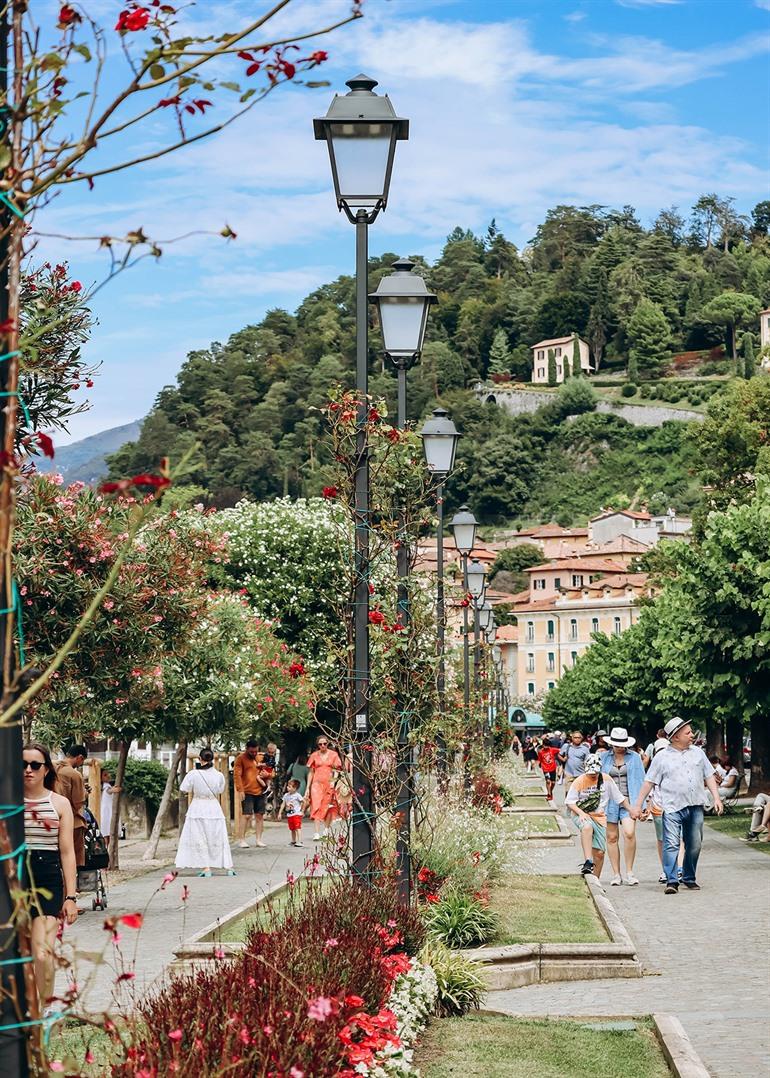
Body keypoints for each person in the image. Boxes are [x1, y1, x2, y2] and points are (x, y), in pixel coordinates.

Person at [631, 716, 724, 894]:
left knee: (695, 844)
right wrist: (638, 805)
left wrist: (716, 798)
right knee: (671, 844)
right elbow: (648, 782)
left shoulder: (698, 753)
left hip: (695, 805)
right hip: (673, 807)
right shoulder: (662, 757)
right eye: (688, 733)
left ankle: (689, 877)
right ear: (675, 737)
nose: (692, 735)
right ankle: (672, 880)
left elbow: (708, 775)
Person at [23, 743, 78, 1015]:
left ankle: (44, 1010)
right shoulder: (7, 802)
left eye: (35, 765)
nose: (28, 770)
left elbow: (67, 852)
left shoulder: (59, 803)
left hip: (47, 877)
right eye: (23, 764)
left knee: (43, 952)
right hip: (13, 879)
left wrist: (71, 897)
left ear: (46, 770)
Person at [565, 752, 634, 878]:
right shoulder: (579, 781)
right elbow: (570, 802)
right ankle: (588, 861)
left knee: (600, 853)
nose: (593, 776)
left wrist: (631, 810)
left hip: (599, 817)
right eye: (590, 773)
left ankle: (595, 879)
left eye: (595, 773)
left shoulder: (607, 780)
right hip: (581, 813)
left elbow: (620, 798)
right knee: (587, 827)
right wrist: (581, 813)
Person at [176, 748, 235, 877]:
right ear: (212, 759)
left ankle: (206, 867)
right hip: (214, 808)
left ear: (200, 759)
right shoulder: (219, 775)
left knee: (199, 837)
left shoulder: (193, 774)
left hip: (197, 807)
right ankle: (228, 866)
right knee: (217, 836)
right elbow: (220, 790)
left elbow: (184, 788)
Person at [601, 727, 645, 886]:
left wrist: (642, 805)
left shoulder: (634, 757)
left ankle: (630, 872)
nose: (619, 747)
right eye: (616, 744)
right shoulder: (603, 757)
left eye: (622, 744)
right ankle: (616, 874)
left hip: (629, 800)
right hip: (609, 802)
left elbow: (642, 780)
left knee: (629, 833)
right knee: (612, 837)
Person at [55, 744, 88, 868]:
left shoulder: (53, 768)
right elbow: (78, 802)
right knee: (74, 857)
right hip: (72, 821)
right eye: (82, 761)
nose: (80, 764)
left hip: (53, 818)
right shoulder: (74, 774)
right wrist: (85, 793)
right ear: (80, 757)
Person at [234, 739, 271, 848]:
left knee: (259, 815)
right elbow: (237, 775)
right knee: (246, 815)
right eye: (251, 752)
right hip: (247, 791)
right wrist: (240, 790)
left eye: (256, 751)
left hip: (261, 791)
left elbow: (271, 771)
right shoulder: (240, 758)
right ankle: (242, 840)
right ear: (246, 749)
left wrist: (267, 775)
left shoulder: (261, 757)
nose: (254, 753)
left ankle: (258, 840)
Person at [304, 736, 343, 841]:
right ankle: (316, 832)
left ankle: (326, 829)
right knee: (316, 806)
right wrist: (307, 787)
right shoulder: (314, 755)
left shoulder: (333, 755)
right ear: (318, 745)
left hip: (329, 783)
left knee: (327, 806)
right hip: (316, 783)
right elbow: (311, 772)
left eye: (325, 743)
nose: (322, 746)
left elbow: (336, 770)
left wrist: (333, 782)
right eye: (320, 744)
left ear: (327, 744)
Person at [279, 779, 304, 847]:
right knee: (292, 828)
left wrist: (302, 810)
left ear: (295, 788)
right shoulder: (286, 795)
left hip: (296, 814)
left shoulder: (297, 795)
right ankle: (293, 841)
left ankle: (299, 841)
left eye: (289, 787)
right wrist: (280, 813)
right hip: (290, 815)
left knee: (297, 828)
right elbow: (283, 804)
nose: (287, 787)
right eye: (288, 786)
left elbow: (303, 802)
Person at [100, 769, 120, 847]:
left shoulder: (105, 787)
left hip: (105, 813)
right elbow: (109, 791)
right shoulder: (106, 787)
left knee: (106, 835)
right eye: (105, 775)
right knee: (106, 835)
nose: (108, 776)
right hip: (106, 814)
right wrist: (115, 789)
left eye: (108, 774)